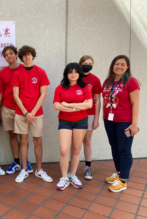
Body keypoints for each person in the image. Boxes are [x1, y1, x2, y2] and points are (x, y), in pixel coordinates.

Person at [12, 45, 53, 183]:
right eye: (24, 55)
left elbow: (43, 94)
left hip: (36, 113)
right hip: (21, 113)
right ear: (21, 57)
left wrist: (32, 113)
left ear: (33, 55)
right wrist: (25, 113)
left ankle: (39, 170)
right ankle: (24, 170)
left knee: (38, 141)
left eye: (29, 54)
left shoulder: (40, 72)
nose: (27, 57)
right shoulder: (17, 73)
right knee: (23, 141)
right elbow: (16, 95)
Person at [103, 55, 140, 192]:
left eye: (122, 64)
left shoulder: (131, 82)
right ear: (112, 66)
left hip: (125, 121)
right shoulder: (108, 81)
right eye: (117, 64)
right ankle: (118, 173)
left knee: (124, 150)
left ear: (127, 67)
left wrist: (134, 124)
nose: (119, 66)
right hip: (109, 120)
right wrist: (104, 117)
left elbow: (136, 103)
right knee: (114, 147)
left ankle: (123, 180)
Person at [53, 63, 93, 191]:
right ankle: (64, 177)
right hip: (65, 121)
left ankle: (72, 175)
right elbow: (57, 106)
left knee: (76, 149)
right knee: (64, 150)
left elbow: (89, 105)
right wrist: (78, 106)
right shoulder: (60, 88)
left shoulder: (85, 87)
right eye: (70, 72)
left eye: (76, 72)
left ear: (80, 73)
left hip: (81, 121)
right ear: (66, 74)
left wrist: (70, 106)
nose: (73, 74)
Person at [0, 45, 33, 175]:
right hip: (7, 107)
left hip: (22, 109)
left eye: (11, 53)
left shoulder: (25, 68)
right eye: (6, 54)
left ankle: (26, 161)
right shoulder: (3, 73)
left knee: (23, 137)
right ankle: (17, 161)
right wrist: (2, 109)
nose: (9, 56)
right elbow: (2, 92)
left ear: (16, 54)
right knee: (12, 135)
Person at [79, 55, 102, 179]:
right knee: (75, 142)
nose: (88, 65)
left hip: (90, 114)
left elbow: (98, 100)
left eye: (90, 63)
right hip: (75, 113)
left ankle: (88, 167)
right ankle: (72, 167)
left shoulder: (95, 79)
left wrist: (97, 119)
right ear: (80, 63)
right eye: (85, 63)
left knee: (87, 141)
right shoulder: (74, 76)